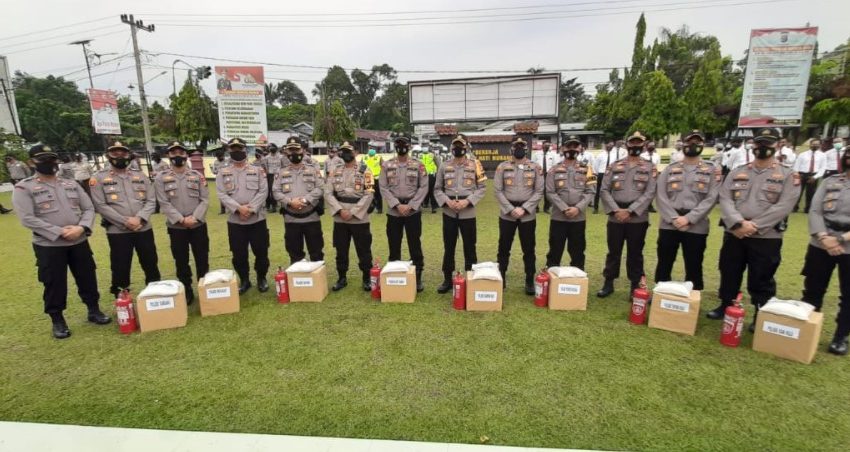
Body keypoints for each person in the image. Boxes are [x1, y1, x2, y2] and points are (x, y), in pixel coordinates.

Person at [12, 144, 111, 338]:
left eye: (52, 158)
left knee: (87, 276)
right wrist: (59, 232)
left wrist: (81, 228)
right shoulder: (24, 187)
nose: (49, 163)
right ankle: (57, 320)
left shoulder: (70, 184)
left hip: (79, 241)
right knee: (54, 282)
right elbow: (27, 218)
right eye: (43, 159)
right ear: (32, 162)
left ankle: (94, 310)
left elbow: (89, 208)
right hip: (49, 245)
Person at [711, 128, 800, 329]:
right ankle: (725, 304)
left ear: (777, 145)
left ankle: (761, 312)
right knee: (729, 270)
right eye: (759, 143)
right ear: (753, 145)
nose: (762, 148)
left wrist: (754, 226)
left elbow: (785, 205)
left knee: (762, 275)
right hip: (734, 231)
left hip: (766, 235)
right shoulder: (737, 171)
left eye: (768, 144)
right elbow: (725, 197)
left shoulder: (787, 175)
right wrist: (738, 222)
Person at [90, 141, 161, 297]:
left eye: (123, 152)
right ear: (108, 155)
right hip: (118, 230)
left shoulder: (140, 175)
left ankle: (155, 291)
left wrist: (140, 218)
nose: (119, 156)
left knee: (150, 261)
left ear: (128, 154)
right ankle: (121, 297)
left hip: (143, 228)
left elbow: (151, 200)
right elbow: (100, 205)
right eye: (115, 152)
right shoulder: (98, 178)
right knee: (120, 264)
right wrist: (125, 221)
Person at [654, 130, 721, 291]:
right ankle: (660, 292)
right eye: (689, 142)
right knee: (664, 261)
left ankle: (694, 295)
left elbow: (712, 197)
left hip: (696, 225)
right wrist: (674, 218)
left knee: (694, 262)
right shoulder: (670, 169)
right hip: (670, 223)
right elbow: (660, 195)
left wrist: (689, 218)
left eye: (697, 142)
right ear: (682, 144)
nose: (693, 145)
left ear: (703, 145)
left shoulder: (711, 170)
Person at [801, 147, 850, 355]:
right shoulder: (831, 182)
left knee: (848, 295)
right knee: (813, 289)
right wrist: (823, 237)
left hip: (847, 245)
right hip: (821, 243)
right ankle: (807, 331)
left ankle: (840, 337)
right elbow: (814, 210)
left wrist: (839, 239)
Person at [597, 131, 657, 297]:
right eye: (632, 143)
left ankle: (634, 286)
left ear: (643, 146)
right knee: (613, 252)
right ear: (627, 144)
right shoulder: (615, 165)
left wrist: (630, 211)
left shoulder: (649, 167)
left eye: (639, 143)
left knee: (635, 253)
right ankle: (608, 283)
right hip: (615, 215)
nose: (635, 146)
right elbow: (604, 189)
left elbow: (650, 192)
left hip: (637, 217)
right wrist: (616, 210)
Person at [154, 142, 210, 304]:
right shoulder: (161, 178)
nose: (177, 155)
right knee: (181, 260)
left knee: (202, 258)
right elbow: (163, 202)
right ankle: (187, 291)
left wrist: (195, 217)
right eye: (173, 153)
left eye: (180, 152)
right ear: (168, 156)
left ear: (186, 155)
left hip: (198, 225)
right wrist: (181, 219)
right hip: (176, 227)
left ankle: (203, 288)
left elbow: (205, 200)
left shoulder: (197, 176)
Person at [434, 134, 487, 293]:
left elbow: (482, 187)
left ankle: (471, 278)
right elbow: (437, 188)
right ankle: (447, 279)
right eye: (455, 146)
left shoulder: (475, 164)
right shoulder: (444, 165)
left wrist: (468, 201)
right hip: (449, 211)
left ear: (466, 147)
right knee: (449, 246)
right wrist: (446, 201)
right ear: (451, 148)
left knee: (470, 247)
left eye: (460, 145)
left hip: (468, 211)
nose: (457, 148)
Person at [216, 137, 270, 294]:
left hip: (257, 219)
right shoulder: (222, 173)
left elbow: (263, 191)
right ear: (229, 151)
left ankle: (261, 278)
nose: (237, 151)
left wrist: (251, 209)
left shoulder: (258, 170)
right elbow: (222, 194)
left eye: (240, 148)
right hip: (235, 221)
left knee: (261, 252)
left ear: (246, 149)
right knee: (238, 254)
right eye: (233, 149)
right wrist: (239, 209)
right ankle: (245, 280)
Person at [493, 136, 544, 294]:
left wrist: (525, 208)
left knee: (528, 248)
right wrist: (510, 208)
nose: (519, 149)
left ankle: (529, 279)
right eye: (516, 146)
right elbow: (497, 190)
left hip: (527, 213)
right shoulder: (502, 167)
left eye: (522, 146)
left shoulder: (535, 167)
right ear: (511, 149)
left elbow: (539, 190)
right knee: (504, 247)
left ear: (526, 149)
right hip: (507, 213)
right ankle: (501, 276)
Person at [379, 134, 429, 291]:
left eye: (404, 144)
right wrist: (396, 205)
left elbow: (423, 187)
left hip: (412, 212)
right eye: (398, 144)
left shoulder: (418, 165)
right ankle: (394, 276)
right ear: (395, 147)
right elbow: (383, 187)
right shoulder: (387, 165)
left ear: (409, 147)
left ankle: (417, 277)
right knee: (394, 244)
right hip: (394, 212)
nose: (401, 147)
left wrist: (412, 205)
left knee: (415, 244)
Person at [325, 141, 374, 291]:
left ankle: (366, 278)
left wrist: (353, 212)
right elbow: (327, 192)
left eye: (349, 151)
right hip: (340, 218)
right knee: (341, 249)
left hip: (359, 217)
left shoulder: (367, 170)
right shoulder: (334, 171)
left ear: (356, 152)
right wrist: (340, 210)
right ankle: (342, 278)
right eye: (343, 151)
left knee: (364, 250)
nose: (346, 154)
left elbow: (369, 193)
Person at [545, 137, 596, 270]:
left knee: (577, 251)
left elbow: (590, 191)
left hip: (578, 218)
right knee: (555, 250)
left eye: (575, 146)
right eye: (569, 146)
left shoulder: (587, 169)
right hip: (558, 217)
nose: (572, 149)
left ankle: (578, 279)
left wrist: (577, 208)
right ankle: (551, 278)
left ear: (580, 149)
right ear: (563, 149)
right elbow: (550, 192)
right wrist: (564, 208)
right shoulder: (554, 169)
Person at [273, 136, 325, 265]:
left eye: (297, 149)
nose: (294, 153)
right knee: (294, 254)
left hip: (311, 218)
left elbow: (320, 188)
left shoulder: (313, 170)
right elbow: (275, 191)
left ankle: (317, 282)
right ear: (286, 152)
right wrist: (290, 202)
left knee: (316, 253)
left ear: (303, 150)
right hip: (291, 219)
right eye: (291, 150)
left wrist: (305, 200)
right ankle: (297, 282)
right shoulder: (280, 172)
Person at [792, 139, 826, 213]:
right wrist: (797, 175)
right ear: (810, 145)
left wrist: (815, 177)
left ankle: (807, 209)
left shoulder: (823, 155)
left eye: (817, 144)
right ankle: (794, 207)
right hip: (801, 174)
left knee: (810, 194)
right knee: (798, 193)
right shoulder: (802, 154)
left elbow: (823, 168)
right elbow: (796, 166)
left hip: (814, 176)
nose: (815, 145)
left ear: (820, 145)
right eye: (813, 144)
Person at [592, 142, 626, 214]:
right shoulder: (600, 155)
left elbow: (615, 166)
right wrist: (598, 174)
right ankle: (595, 208)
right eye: (608, 144)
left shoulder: (614, 155)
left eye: (611, 145)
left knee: (610, 192)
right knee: (598, 191)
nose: (610, 146)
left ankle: (610, 208)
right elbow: (595, 165)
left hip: (610, 175)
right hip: (601, 174)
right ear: (605, 145)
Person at [264, 143, 284, 212]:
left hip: (279, 175)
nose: (271, 149)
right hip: (270, 176)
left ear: (276, 148)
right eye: (270, 148)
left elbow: (283, 166)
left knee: (277, 191)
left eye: (273, 147)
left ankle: (275, 206)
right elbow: (266, 168)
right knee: (269, 191)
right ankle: (269, 206)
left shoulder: (281, 157)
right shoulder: (266, 157)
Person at [364, 148, 383, 214]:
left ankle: (379, 209)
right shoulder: (364, 157)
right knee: (368, 194)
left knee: (377, 194)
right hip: (368, 178)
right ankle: (370, 207)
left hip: (376, 178)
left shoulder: (378, 157)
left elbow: (382, 166)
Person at [421, 148, 439, 213]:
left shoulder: (420, 156)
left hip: (423, 176)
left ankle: (426, 204)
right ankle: (433, 206)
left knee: (424, 190)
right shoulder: (432, 155)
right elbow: (438, 164)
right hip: (430, 175)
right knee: (431, 191)